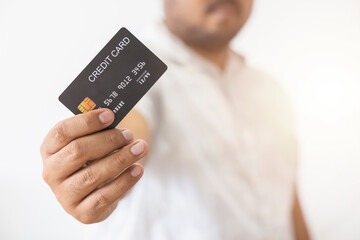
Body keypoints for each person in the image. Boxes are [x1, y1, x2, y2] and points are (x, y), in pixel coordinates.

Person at [40, 0, 310, 239]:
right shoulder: (138, 72)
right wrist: (96, 167)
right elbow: (129, 126)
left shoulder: (269, 88)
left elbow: (287, 197)